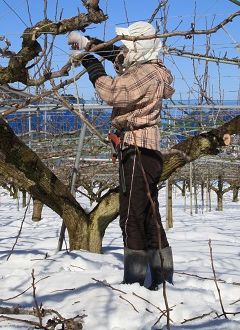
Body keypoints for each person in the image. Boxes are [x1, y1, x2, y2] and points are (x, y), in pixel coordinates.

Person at [68, 21, 174, 290]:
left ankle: (135, 282)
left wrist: (91, 65)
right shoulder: (148, 69)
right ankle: (162, 280)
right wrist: (88, 44)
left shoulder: (146, 73)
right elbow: (119, 58)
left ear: (139, 47)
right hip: (141, 150)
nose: (125, 50)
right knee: (149, 215)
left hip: (137, 149)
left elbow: (113, 92)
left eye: (129, 44)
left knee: (132, 217)